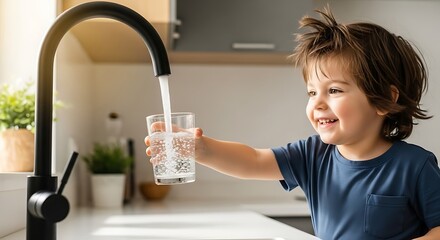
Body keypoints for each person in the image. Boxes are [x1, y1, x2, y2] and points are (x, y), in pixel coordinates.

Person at [145, 6, 440, 240]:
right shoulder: (313, 156)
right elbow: (253, 160)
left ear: (384, 100)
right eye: (312, 92)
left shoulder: (415, 166)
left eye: (334, 90)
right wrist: (199, 149)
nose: (318, 103)